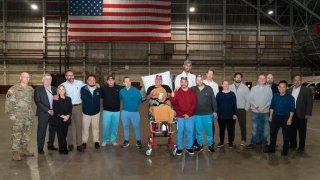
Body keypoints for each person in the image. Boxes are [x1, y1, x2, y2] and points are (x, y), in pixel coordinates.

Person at [5, 72, 34, 161]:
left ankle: (23, 150)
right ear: (20, 77)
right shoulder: (14, 89)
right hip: (18, 116)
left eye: (28, 77)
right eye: (25, 77)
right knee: (17, 134)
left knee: (26, 134)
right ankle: (15, 153)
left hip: (28, 116)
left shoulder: (30, 89)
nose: (26, 79)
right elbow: (8, 102)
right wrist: (11, 114)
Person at [265, 80, 295, 156]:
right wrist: (271, 116)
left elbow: (292, 110)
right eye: (280, 87)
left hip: (285, 118)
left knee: (286, 135)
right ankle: (272, 148)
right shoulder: (275, 96)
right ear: (278, 87)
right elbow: (272, 107)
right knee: (272, 133)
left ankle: (285, 151)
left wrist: (290, 119)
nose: (281, 88)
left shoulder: (290, 98)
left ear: (286, 88)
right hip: (275, 117)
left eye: (283, 87)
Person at [170, 77, 197, 155]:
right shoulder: (177, 92)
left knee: (190, 132)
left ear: (187, 82)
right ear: (180, 83)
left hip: (190, 116)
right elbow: (174, 104)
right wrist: (172, 96)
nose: (183, 83)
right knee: (180, 132)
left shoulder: (192, 92)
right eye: (182, 82)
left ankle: (189, 147)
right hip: (180, 116)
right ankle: (180, 148)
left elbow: (194, 104)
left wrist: (188, 114)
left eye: (185, 82)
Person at [61, 70, 86, 152]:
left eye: (71, 75)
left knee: (79, 126)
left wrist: (96, 84)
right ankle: (70, 144)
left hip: (78, 107)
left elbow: (88, 86)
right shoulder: (63, 85)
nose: (70, 77)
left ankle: (79, 145)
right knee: (68, 126)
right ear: (65, 77)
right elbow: (59, 93)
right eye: (68, 75)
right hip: (67, 107)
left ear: (73, 75)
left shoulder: (79, 83)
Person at [287, 75, 313, 152]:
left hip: (302, 113)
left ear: (301, 81)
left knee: (302, 131)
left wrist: (308, 113)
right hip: (291, 113)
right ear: (293, 81)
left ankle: (301, 147)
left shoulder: (307, 90)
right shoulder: (289, 90)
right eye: (295, 80)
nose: (297, 82)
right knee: (292, 130)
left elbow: (309, 102)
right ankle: (293, 145)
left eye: (299, 80)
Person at [192, 75, 217, 152]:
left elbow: (213, 100)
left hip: (208, 114)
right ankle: (200, 145)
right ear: (195, 81)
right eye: (197, 80)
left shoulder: (209, 89)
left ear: (203, 80)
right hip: (197, 114)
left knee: (209, 131)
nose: (199, 81)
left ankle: (210, 145)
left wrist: (215, 111)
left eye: (200, 80)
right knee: (199, 131)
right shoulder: (193, 89)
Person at [247, 74, 273, 149]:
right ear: (258, 80)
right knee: (255, 128)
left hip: (265, 112)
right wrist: (258, 108)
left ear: (265, 80)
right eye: (260, 78)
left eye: (263, 78)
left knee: (265, 129)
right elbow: (251, 99)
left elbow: (270, 100)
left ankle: (264, 143)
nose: (262, 80)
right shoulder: (253, 89)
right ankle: (253, 142)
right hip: (255, 112)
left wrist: (263, 108)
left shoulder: (268, 89)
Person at [34, 74, 58, 154]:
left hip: (54, 113)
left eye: (50, 79)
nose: (48, 81)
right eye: (46, 79)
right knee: (42, 130)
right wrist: (48, 110)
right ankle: (40, 147)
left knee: (52, 129)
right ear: (42, 80)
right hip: (43, 113)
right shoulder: (38, 89)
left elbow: (58, 100)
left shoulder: (55, 89)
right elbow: (38, 102)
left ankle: (50, 145)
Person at [120, 77, 143, 148]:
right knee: (125, 127)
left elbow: (140, 99)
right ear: (123, 83)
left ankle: (138, 141)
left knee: (136, 127)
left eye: (129, 81)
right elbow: (121, 98)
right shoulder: (121, 91)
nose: (128, 83)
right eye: (126, 81)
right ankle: (126, 141)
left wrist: (134, 105)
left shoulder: (136, 90)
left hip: (134, 112)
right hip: (124, 112)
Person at [101, 75, 123, 146]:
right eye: (109, 80)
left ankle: (113, 140)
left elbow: (127, 88)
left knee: (115, 127)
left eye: (112, 80)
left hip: (116, 111)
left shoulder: (119, 88)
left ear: (114, 81)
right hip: (106, 111)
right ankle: (105, 140)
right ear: (107, 81)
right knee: (106, 126)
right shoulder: (103, 88)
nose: (110, 81)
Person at [80, 74, 102, 149]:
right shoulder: (83, 89)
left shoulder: (99, 89)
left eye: (93, 80)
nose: (92, 81)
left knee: (96, 128)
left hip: (96, 113)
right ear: (87, 81)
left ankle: (96, 141)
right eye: (90, 80)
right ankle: (84, 142)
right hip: (86, 113)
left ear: (95, 81)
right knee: (85, 128)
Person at [229, 73, 250, 146]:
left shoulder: (245, 88)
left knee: (243, 125)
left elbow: (248, 99)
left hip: (241, 109)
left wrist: (246, 108)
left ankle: (243, 139)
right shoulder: (229, 87)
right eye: (237, 77)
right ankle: (231, 140)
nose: (238, 78)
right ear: (234, 78)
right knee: (231, 126)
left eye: (240, 77)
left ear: (241, 78)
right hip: (232, 110)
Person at [52, 85, 72, 154]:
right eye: (59, 89)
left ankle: (61, 146)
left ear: (65, 90)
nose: (61, 90)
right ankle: (64, 147)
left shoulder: (69, 99)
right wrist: (62, 116)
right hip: (58, 119)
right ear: (58, 91)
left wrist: (68, 116)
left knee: (64, 134)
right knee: (60, 134)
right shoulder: (55, 98)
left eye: (63, 89)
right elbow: (55, 109)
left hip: (66, 119)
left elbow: (70, 108)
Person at [216, 80, 237, 148]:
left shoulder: (232, 94)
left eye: (227, 84)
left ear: (228, 85)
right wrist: (216, 113)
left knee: (230, 130)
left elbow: (234, 104)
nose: (225, 85)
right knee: (221, 130)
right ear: (222, 85)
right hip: (221, 115)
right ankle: (221, 142)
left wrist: (235, 114)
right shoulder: (218, 94)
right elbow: (217, 104)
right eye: (224, 84)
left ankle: (230, 142)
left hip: (230, 115)